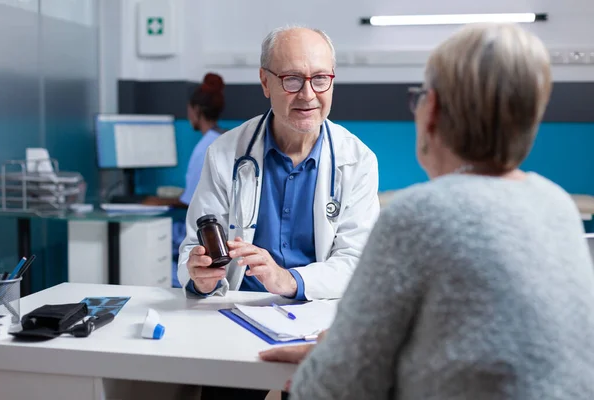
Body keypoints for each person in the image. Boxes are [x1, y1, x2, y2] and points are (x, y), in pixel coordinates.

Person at [260, 23, 594, 399]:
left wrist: (330, 360)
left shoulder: (419, 215)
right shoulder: (557, 206)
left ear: (430, 109)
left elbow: (335, 388)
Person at [177, 25, 380, 400]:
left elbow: (356, 263)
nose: (308, 95)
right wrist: (200, 277)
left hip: (317, 319)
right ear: (265, 82)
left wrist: (288, 279)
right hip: (235, 315)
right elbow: (194, 246)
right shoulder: (225, 153)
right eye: (291, 79)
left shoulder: (358, 161)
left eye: (320, 79)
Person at [144, 72, 226, 288]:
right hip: (221, 229)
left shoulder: (206, 148)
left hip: (208, 231)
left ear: (196, 111)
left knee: (148, 245)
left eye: (189, 111)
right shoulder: (223, 139)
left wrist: (155, 201)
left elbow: (190, 201)